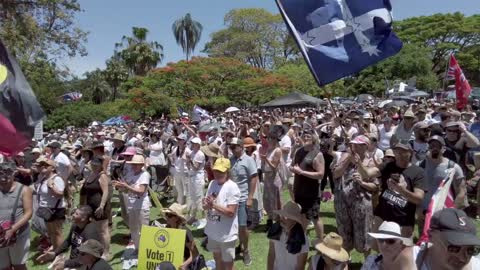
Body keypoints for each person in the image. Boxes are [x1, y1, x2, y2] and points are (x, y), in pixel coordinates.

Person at [359, 143, 425, 238]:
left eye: (403, 152)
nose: (399, 154)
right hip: (382, 216)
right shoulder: (387, 166)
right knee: (376, 245)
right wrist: (358, 163)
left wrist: (401, 190)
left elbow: (418, 199)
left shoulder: (418, 172)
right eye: (397, 151)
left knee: (400, 250)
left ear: (410, 153)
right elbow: (367, 174)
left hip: (403, 220)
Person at [332, 135, 377, 257]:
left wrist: (362, 180)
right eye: (353, 144)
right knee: (344, 236)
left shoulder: (371, 162)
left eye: (358, 145)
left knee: (364, 237)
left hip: (361, 205)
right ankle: (346, 261)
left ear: (365, 147)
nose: (354, 147)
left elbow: (374, 185)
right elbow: (335, 174)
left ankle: (367, 264)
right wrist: (347, 160)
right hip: (342, 204)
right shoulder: (343, 158)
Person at [419, 136, 467, 229]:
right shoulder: (420, 165)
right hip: (424, 210)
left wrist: (452, 211)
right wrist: (418, 209)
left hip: (444, 210)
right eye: (431, 146)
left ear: (444, 149)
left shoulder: (453, 167)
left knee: (442, 240)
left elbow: (461, 192)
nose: (434, 148)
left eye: (438, 146)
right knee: (423, 239)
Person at [203, 158, 240, 270]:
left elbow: (231, 212)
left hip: (226, 235)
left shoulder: (232, 187)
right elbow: (205, 205)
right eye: (216, 171)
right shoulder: (212, 183)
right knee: (217, 260)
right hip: (213, 231)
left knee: (228, 265)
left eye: (221, 172)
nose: (217, 174)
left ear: (227, 172)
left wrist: (213, 205)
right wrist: (205, 204)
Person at [413, 208, 480, 270]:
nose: (462, 258)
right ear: (431, 236)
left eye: (470, 250)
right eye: (454, 248)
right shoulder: (412, 259)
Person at [36, 206, 101, 269]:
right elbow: (68, 241)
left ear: (83, 218)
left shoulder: (90, 233)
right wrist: (55, 253)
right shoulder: (75, 225)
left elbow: (88, 258)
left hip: (84, 264)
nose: (73, 215)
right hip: (75, 261)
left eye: (76, 214)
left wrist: (65, 264)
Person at [290, 129, 325, 240]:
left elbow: (320, 175)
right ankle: (302, 239)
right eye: (304, 136)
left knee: (315, 217)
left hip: (311, 192)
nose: (305, 138)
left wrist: (302, 172)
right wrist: (293, 168)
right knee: (301, 215)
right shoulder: (299, 151)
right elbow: (293, 165)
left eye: (308, 137)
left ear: (314, 138)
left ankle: (320, 240)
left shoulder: (317, 154)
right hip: (299, 189)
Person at [229, 137, 259, 266]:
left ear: (241, 147)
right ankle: (238, 247)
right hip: (231, 199)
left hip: (242, 199)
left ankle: (246, 251)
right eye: (231, 146)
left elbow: (254, 178)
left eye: (234, 146)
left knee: (242, 226)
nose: (232, 148)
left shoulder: (249, 160)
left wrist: (250, 197)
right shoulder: (231, 160)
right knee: (232, 227)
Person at [112, 155, 151, 251]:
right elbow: (127, 191)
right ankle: (138, 249)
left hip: (142, 206)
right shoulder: (131, 175)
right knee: (133, 229)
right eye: (133, 164)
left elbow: (141, 191)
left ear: (141, 165)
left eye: (136, 165)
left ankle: (145, 251)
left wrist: (126, 186)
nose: (134, 166)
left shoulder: (145, 175)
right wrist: (120, 186)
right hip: (132, 204)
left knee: (144, 230)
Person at [0, 162, 33, 270]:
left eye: (7, 173)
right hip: (1, 234)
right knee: (3, 266)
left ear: (14, 173)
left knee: (19, 265)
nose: (3, 176)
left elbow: (28, 213)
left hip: (19, 233)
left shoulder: (24, 189)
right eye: (1, 173)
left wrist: (13, 229)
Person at [79, 157, 111, 258]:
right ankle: (97, 250)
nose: (93, 165)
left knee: (103, 230)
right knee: (95, 230)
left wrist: (101, 206)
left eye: (96, 164)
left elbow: (105, 192)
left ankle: (106, 253)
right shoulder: (90, 175)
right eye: (92, 163)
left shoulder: (102, 176)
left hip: (99, 207)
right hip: (90, 206)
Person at [267, 201, 309, 270]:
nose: (283, 218)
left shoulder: (303, 239)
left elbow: (300, 267)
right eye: (283, 215)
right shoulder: (274, 229)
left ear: (295, 221)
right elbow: (271, 254)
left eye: (288, 217)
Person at [36, 158, 66, 251]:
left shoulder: (57, 179)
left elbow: (60, 194)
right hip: (46, 210)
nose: (43, 167)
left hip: (55, 209)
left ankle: (59, 254)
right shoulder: (43, 179)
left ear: (53, 168)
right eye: (41, 166)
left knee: (57, 233)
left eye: (46, 165)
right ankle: (55, 251)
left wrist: (51, 186)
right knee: (51, 233)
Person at [162, 203, 204, 270]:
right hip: (172, 258)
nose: (167, 217)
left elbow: (195, 253)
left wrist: (185, 264)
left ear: (176, 218)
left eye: (169, 215)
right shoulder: (167, 228)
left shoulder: (185, 231)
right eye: (166, 214)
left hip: (185, 262)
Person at [261, 127, 284, 231]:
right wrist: (262, 161)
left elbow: (274, 167)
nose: (269, 139)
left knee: (276, 200)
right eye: (268, 138)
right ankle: (270, 221)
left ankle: (278, 222)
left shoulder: (277, 150)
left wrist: (265, 159)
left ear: (276, 139)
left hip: (274, 179)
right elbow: (264, 165)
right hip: (267, 178)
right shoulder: (268, 149)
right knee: (267, 200)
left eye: (272, 138)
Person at [186, 137, 205, 225]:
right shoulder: (192, 152)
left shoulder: (200, 154)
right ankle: (193, 217)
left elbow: (196, 167)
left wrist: (189, 160)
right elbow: (189, 166)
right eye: (192, 143)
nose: (192, 145)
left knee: (199, 197)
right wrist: (187, 160)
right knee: (192, 197)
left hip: (198, 177)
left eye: (194, 143)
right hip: (192, 176)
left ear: (198, 145)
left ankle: (202, 218)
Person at [169, 134, 189, 205]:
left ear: (184, 141)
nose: (178, 141)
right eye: (178, 140)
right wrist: (171, 158)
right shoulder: (175, 149)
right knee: (179, 188)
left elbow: (189, 161)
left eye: (180, 140)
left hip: (185, 172)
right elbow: (172, 156)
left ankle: (188, 204)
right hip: (177, 171)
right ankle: (180, 202)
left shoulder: (187, 150)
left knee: (186, 189)